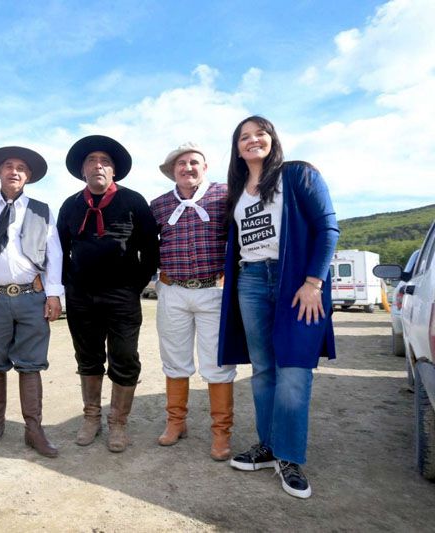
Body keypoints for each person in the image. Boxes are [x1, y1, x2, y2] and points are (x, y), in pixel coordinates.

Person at [218, 116, 339, 499]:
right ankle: (268, 446)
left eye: (260, 134)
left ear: (273, 139)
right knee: (263, 370)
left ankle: (289, 456)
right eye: (244, 137)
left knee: (294, 371)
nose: (253, 140)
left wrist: (313, 282)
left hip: (296, 283)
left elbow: (328, 228)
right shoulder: (237, 192)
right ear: (237, 148)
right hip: (251, 280)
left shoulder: (299, 175)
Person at [57, 135, 159, 453]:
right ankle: (91, 417)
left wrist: (134, 285)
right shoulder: (71, 205)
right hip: (80, 297)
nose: (98, 165)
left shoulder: (134, 201)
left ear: (113, 171)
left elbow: (151, 250)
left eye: (105, 161)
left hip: (121, 295)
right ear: (82, 170)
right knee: (87, 357)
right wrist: (67, 287)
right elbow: (60, 250)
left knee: (125, 357)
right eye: (91, 161)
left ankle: (118, 422)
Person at [0, 146, 63, 458]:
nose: (14, 171)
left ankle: (33, 428)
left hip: (31, 296)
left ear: (29, 176)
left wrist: (54, 294)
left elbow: (55, 254)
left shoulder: (42, 210)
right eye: (8, 166)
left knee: (31, 362)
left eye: (21, 168)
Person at [149, 142, 236, 460]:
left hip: (213, 289)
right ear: (172, 171)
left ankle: (221, 433)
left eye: (194, 162)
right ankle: (176, 422)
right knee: (174, 359)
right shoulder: (158, 205)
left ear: (205, 166)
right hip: (172, 290)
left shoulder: (225, 195)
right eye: (181, 163)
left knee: (216, 363)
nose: (188, 167)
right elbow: (148, 246)